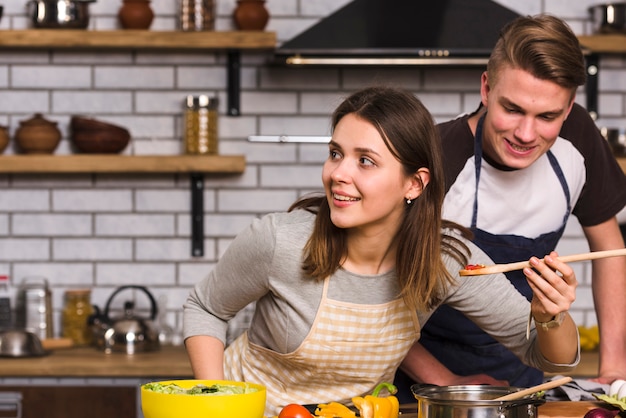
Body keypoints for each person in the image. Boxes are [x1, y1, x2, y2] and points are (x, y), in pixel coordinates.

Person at [183, 86, 580, 416]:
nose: (338, 173)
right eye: (336, 153)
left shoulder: (448, 262)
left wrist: (551, 316)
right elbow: (205, 307)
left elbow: (551, 359)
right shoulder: (279, 241)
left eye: (366, 161)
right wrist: (218, 404)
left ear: (414, 184)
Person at [395, 14, 626, 400]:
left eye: (547, 116)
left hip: (523, 375)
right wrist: (446, 383)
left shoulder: (579, 141)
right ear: (486, 88)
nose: (525, 134)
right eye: (513, 109)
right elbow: (373, 296)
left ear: (569, 109)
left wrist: (614, 367)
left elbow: (610, 251)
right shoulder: (437, 157)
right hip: (422, 381)